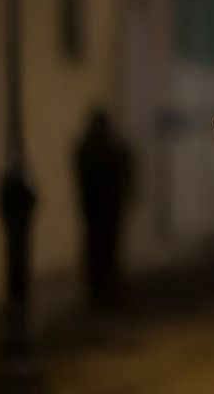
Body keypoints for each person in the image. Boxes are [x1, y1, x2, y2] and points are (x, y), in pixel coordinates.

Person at [74, 108, 134, 306]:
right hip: (103, 210)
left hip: (101, 210)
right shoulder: (106, 149)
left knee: (100, 249)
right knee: (102, 250)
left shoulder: (94, 149)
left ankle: (102, 289)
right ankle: (102, 289)